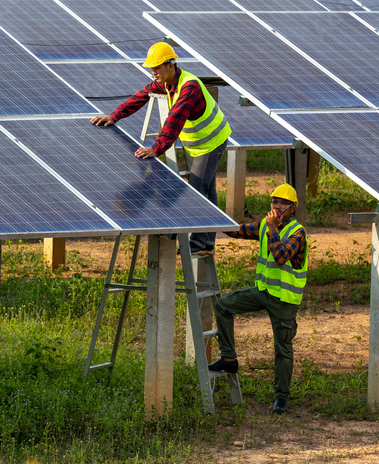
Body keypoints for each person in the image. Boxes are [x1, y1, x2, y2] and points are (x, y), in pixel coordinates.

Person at [90, 42, 231, 253]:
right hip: (199, 144)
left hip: (212, 142)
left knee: (197, 188)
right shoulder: (166, 83)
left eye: (157, 67)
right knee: (207, 188)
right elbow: (141, 96)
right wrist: (114, 115)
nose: (153, 72)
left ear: (170, 65)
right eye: (151, 68)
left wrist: (155, 148)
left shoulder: (188, 86)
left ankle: (200, 242)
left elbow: (174, 120)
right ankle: (208, 241)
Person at [208, 184, 307, 415]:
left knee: (282, 349)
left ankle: (281, 398)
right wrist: (214, 216)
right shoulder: (265, 224)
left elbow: (281, 257)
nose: (277, 206)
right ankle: (229, 358)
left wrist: (272, 228)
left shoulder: (297, 232)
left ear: (293, 208)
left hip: (284, 299)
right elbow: (237, 231)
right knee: (223, 306)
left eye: (283, 203)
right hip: (263, 291)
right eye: (274, 201)